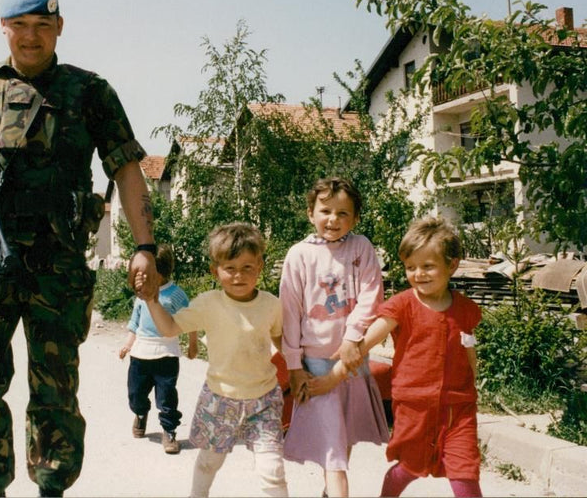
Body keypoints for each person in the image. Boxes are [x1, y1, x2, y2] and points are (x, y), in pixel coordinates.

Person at [0, 0, 158, 498]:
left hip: (59, 259)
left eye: (42, 26)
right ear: (4, 28)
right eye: (20, 26)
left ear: (59, 28)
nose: (31, 37)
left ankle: (52, 488)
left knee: (55, 392)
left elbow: (128, 171)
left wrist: (144, 247)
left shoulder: (90, 91)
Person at [310, 217, 483, 498]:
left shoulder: (465, 309)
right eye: (410, 267)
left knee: (465, 471)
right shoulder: (402, 305)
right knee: (411, 467)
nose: (418, 274)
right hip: (414, 406)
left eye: (428, 266)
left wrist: (472, 387)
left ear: (451, 265)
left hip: (458, 409)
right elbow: (367, 342)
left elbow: (468, 349)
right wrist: (334, 375)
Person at [135, 222, 288, 497]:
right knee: (208, 462)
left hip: (263, 401)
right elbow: (169, 328)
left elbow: (282, 340)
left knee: (273, 471)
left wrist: (303, 368)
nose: (239, 276)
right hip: (219, 400)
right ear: (214, 270)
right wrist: (151, 301)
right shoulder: (208, 303)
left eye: (247, 268)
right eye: (230, 268)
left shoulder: (271, 304)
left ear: (260, 267)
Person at [279, 177, 389, 497]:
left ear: (355, 218)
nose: (333, 220)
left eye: (344, 213)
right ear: (310, 213)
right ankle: (337, 490)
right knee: (333, 449)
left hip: (353, 358)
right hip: (315, 361)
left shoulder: (362, 247)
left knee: (345, 432)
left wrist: (353, 337)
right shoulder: (299, 254)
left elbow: (372, 295)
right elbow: (289, 313)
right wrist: (294, 365)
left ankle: (330, 490)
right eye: (325, 210)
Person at [118, 244, 198, 454]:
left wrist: (192, 344)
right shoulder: (142, 292)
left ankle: (169, 431)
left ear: (159, 272)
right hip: (140, 353)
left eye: (146, 273)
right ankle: (141, 414)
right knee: (136, 393)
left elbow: (190, 321)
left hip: (166, 354)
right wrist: (128, 344)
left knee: (167, 397)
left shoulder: (176, 295)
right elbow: (135, 322)